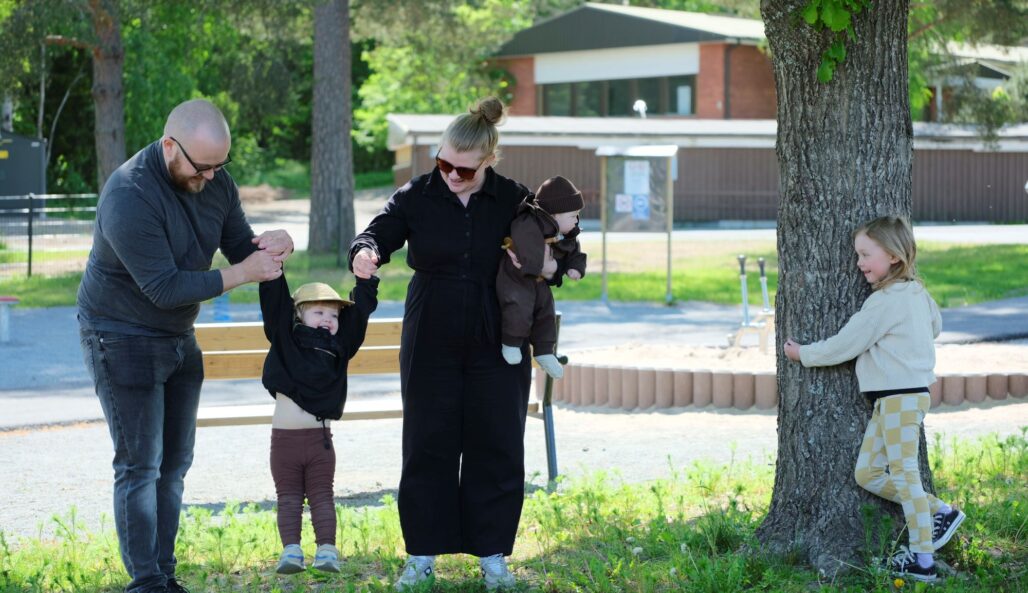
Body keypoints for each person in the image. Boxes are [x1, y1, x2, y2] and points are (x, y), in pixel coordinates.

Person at [77, 98, 294, 593]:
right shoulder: (129, 194)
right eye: (203, 168)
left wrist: (273, 244)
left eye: (221, 166)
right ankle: (146, 582)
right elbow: (165, 287)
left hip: (177, 336)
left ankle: (164, 574)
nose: (212, 177)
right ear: (170, 146)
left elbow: (239, 247)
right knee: (140, 465)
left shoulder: (214, 179)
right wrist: (244, 273)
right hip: (119, 334)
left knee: (174, 465)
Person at [350, 96, 553, 591]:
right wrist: (366, 252)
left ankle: (493, 557)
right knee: (428, 440)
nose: (452, 176)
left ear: (489, 161)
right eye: (444, 164)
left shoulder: (513, 198)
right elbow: (377, 233)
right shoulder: (417, 194)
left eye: (464, 170)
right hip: (431, 327)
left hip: (500, 332)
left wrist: (552, 262)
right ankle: (421, 556)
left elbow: (558, 239)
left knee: (497, 441)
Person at [783, 216, 965, 584]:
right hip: (897, 398)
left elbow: (846, 344)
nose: (859, 263)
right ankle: (939, 511)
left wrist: (803, 354)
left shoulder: (884, 302)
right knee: (867, 473)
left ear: (894, 256)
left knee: (905, 474)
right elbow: (935, 326)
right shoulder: (918, 293)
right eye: (858, 255)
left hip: (900, 397)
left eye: (866, 255)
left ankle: (923, 561)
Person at [258, 273, 378, 575]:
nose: (327, 319)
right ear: (298, 314)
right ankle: (291, 551)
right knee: (288, 498)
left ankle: (326, 550)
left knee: (322, 495)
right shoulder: (285, 339)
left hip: (319, 441)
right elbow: (274, 301)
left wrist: (366, 280)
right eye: (318, 312)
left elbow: (359, 314)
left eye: (334, 315)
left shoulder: (340, 346)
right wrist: (274, 267)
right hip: (284, 443)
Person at [497, 175, 586, 379]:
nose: (576, 220)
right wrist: (539, 267)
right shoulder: (529, 222)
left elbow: (575, 251)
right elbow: (526, 244)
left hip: (539, 282)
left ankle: (545, 350)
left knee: (546, 312)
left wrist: (575, 268)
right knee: (518, 307)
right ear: (554, 215)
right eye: (573, 215)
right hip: (516, 278)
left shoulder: (567, 233)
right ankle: (511, 343)